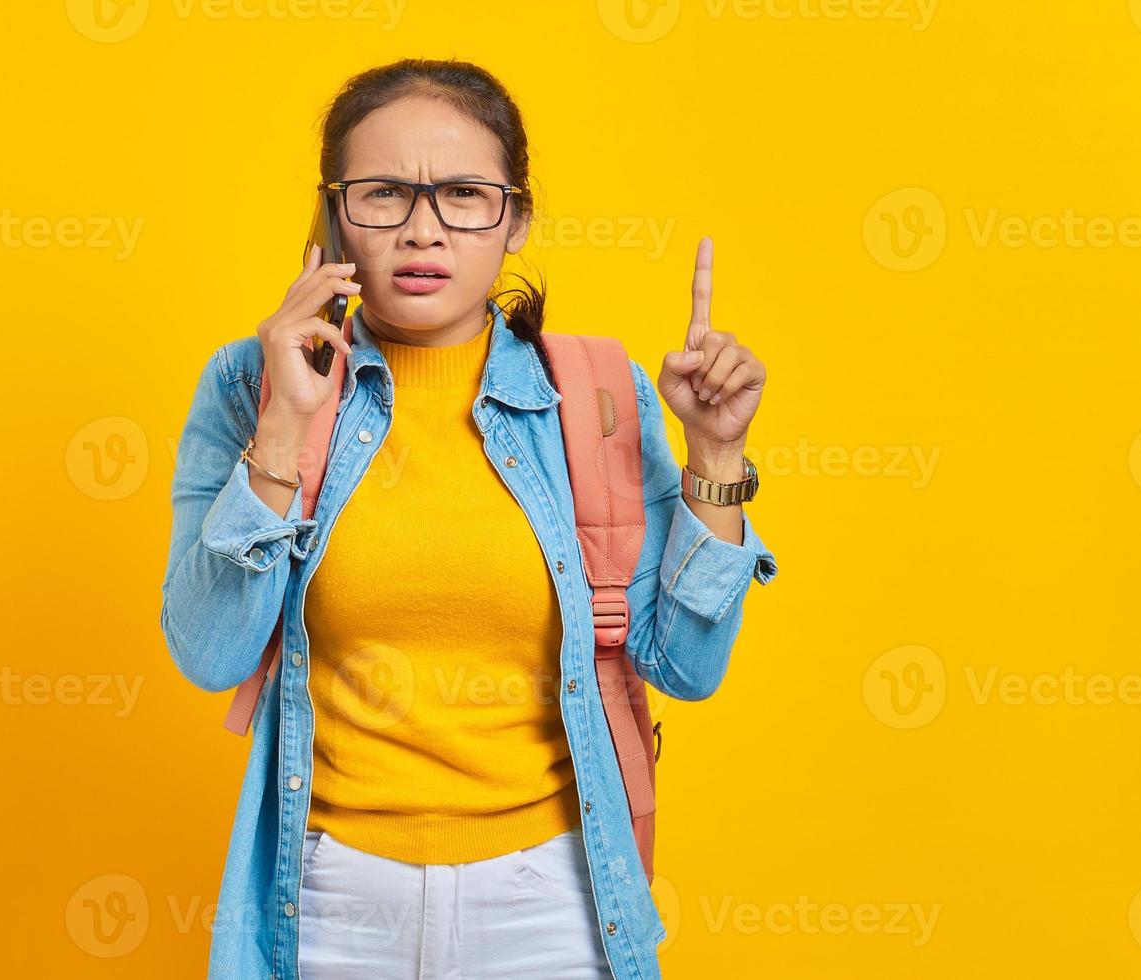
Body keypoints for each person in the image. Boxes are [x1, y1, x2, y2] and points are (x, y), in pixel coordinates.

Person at [160, 57, 778, 980]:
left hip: (551, 906)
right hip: (330, 904)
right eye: (383, 194)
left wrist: (716, 460)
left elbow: (684, 668)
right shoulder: (249, 383)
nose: (422, 230)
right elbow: (208, 653)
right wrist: (285, 423)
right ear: (334, 215)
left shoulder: (598, 399)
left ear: (516, 217)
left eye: (462, 195)